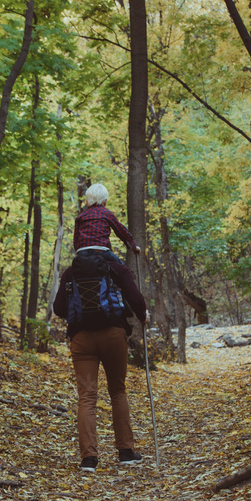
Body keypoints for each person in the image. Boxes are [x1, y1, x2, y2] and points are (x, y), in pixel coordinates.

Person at [53, 251, 148, 471]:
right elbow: (136, 298)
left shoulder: (71, 271)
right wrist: (143, 315)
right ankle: (126, 452)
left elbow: (59, 308)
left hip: (81, 338)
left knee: (86, 397)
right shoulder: (117, 268)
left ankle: (89, 459)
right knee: (117, 391)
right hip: (113, 335)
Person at [74, 183, 140, 260]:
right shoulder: (107, 213)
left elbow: (76, 240)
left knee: (69, 272)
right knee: (125, 272)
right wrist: (133, 246)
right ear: (105, 201)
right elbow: (121, 231)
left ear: (87, 201)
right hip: (101, 252)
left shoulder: (81, 216)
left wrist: (79, 252)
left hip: (82, 253)